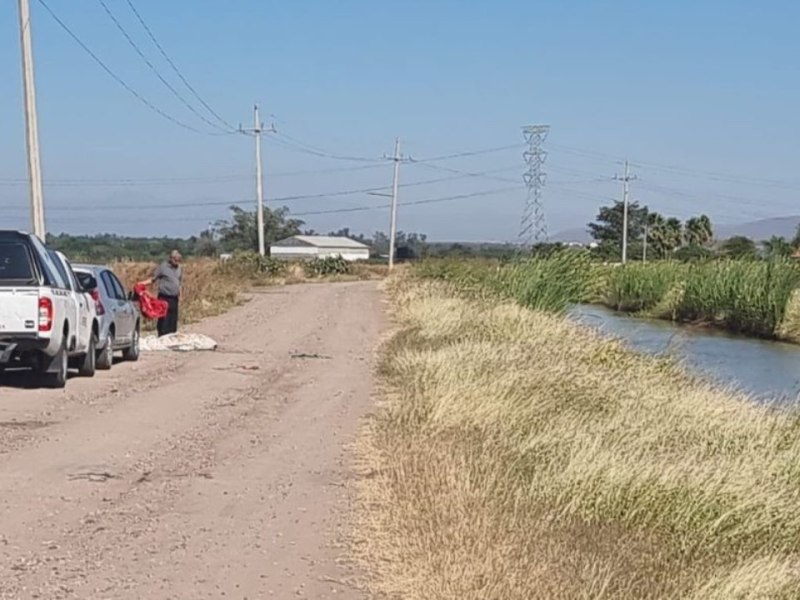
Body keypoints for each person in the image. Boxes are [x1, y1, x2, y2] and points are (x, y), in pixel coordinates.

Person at [141, 250, 183, 337]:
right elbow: (153, 279)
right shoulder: (163, 267)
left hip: (174, 298)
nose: (177, 261)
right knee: (164, 320)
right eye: (175, 259)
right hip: (164, 297)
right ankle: (162, 336)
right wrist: (142, 283)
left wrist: (180, 295)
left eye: (178, 259)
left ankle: (171, 336)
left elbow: (179, 283)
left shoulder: (179, 269)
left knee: (173, 320)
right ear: (170, 258)